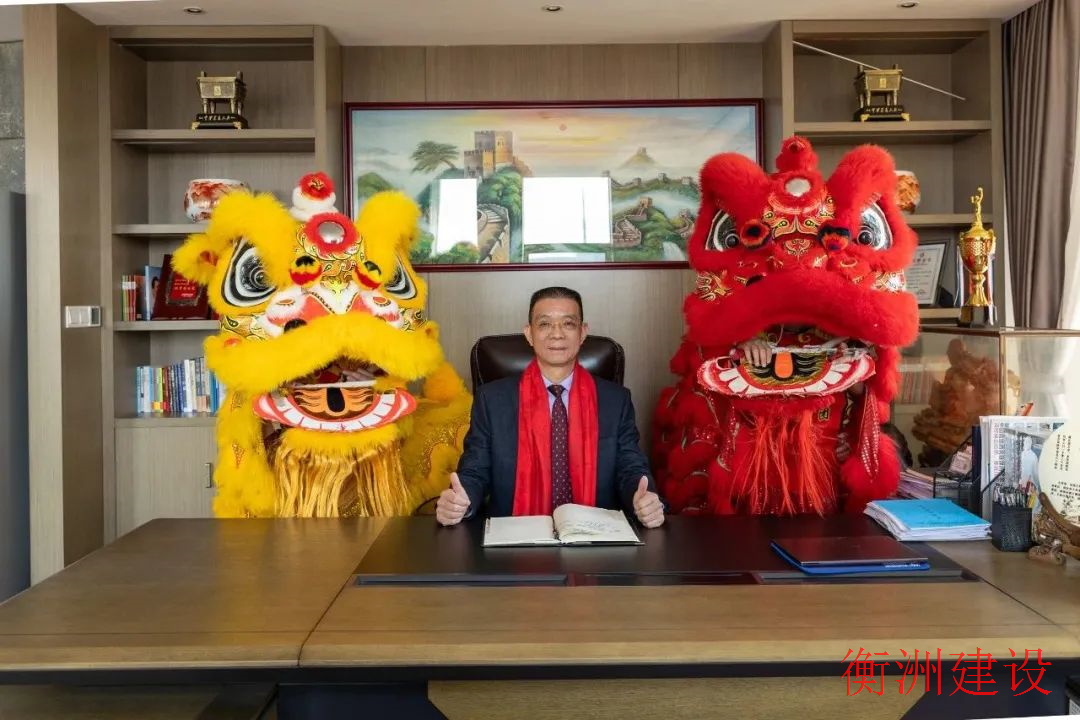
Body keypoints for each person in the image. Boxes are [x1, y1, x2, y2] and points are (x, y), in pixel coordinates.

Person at [435, 286, 665, 528]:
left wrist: (643, 499)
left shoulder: (615, 400)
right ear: (529, 334)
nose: (557, 334)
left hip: (595, 535)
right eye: (544, 324)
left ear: (582, 333)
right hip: (514, 536)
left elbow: (630, 468)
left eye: (568, 324)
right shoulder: (492, 400)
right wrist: (461, 501)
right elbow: (475, 471)